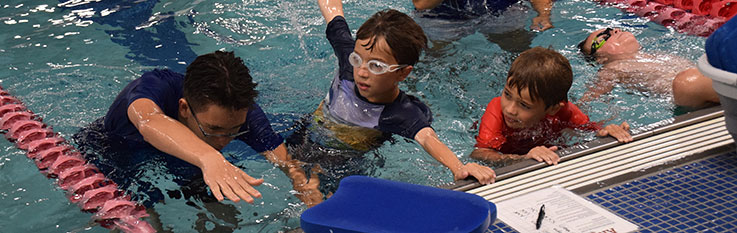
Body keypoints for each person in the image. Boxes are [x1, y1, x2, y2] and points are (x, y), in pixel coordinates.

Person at [73, 51, 322, 208]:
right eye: (215, 129)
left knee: (224, 214)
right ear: (183, 108)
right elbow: (149, 122)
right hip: (114, 153)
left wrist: (304, 187)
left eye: (233, 130)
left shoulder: (241, 110)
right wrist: (210, 157)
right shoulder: (153, 87)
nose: (225, 140)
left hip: (192, 159)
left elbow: (284, 159)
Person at [304, 0, 495, 187]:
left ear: (403, 72)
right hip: (306, 132)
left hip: (344, 161)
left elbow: (428, 138)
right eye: (357, 59)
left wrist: (458, 168)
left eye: (375, 66)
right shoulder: (349, 63)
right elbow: (334, 15)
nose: (361, 72)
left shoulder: (401, 113)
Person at [470, 47, 633, 165]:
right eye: (507, 94)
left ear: (553, 108)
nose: (510, 109)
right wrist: (523, 158)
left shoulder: (565, 111)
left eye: (524, 105)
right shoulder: (497, 109)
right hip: (510, 151)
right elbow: (480, 153)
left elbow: (590, 132)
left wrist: (607, 132)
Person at [577, 27, 720, 109]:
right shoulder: (611, 69)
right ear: (601, 58)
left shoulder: (655, 54)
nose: (614, 31)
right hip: (688, 90)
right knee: (686, 81)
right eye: (603, 37)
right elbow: (588, 100)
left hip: (705, 85)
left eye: (612, 29)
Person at [411, 0, 554, 53]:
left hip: (499, 10)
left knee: (517, 48)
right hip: (446, 15)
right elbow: (422, 4)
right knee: (438, 54)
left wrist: (543, 14)